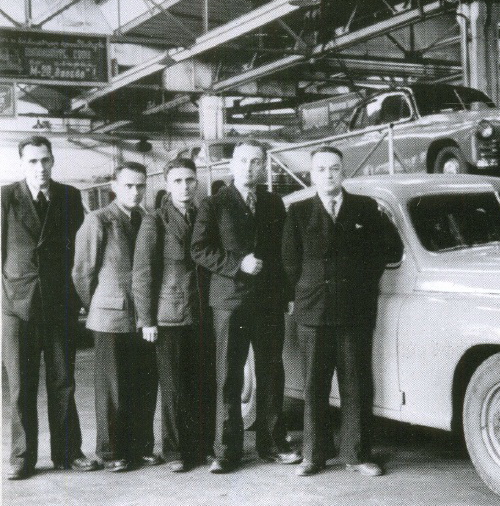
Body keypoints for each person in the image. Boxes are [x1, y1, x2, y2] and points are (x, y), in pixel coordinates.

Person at [191, 141, 300, 474]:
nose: (249, 167)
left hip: (268, 301)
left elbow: (284, 252)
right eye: (243, 161)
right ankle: (226, 451)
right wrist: (237, 264)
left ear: (263, 166)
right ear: (232, 165)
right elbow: (199, 249)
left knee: (271, 372)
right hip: (230, 302)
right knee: (229, 375)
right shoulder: (214, 203)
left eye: (255, 162)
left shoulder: (273, 203)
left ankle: (273, 443)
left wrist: (287, 293)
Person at [282, 146, 386, 477]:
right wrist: (304, 291)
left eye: (335, 168)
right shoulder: (298, 212)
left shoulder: (365, 208)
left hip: (354, 312)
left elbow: (385, 249)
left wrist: (362, 285)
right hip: (313, 312)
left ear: (343, 171)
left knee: (356, 384)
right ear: (312, 175)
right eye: (322, 169)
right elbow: (289, 261)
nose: (328, 174)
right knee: (314, 386)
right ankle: (314, 455)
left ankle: (357, 454)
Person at [1, 136, 99, 480]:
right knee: (20, 385)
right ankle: (22, 458)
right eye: (32, 161)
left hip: (60, 304)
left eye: (45, 160)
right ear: (22, 163)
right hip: (16, 305)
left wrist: (80, 298)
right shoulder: (5, 197)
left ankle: (68, 452)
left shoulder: (69, 196)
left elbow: (79, 252)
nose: (40, 168)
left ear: (53, 161)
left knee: (63, 381)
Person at [72, 161, 162, 472]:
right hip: (110, 318)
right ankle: (111, 451)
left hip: (144, 316)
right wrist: (99, 304)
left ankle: (141, 447)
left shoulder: (147, 219)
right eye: (128, 186)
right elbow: (82, 273)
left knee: (144, 383)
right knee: (113, 388)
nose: (135, 192)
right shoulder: (98, 220)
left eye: (140, 186)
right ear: (114, 187)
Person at [132, 157, 214, 472]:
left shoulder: (204, 214)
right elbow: (143, 273)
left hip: (202, 313)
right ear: (167, 185)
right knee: (174, 388)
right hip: (169, 316)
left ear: (197, 182)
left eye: (190, 180)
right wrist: (147, 320)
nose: (184, 187)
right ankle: (175, 451)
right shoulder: (155, 221)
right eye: (177, 181)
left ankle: (202, 446)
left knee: (202, 383)